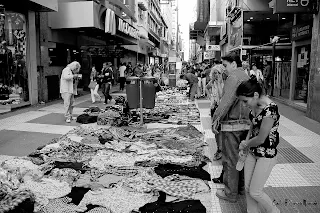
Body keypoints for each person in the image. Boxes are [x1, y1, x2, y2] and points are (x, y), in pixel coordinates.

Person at [237, 76, 280, 213]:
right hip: (252, 152)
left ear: (255, 95)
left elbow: (261, 138)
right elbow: (253, 126)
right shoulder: (255, 105)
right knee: (248, 189)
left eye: (245, 101)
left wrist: (245, 144)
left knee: (256, 192)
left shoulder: (271, 110)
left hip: (266, 155)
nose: (244, 105)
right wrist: (246, 143)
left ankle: (274, 211)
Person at [212, 53, 250, 202]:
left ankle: (230, 193)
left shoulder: (233, 77)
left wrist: (216, 119)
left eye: (226, 65)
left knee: (230, 160)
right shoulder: (245, 76)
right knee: (241, 158)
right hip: (245, 123)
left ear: (234, 64)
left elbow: (226, 100)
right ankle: (240, 188)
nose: (224, 69)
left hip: (232, 124)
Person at [206, 64, 225, 161]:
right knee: (215, 129)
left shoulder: (224, 83)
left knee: (221, 130)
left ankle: (222, 150)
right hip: (214, 108)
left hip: (222, 109)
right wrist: (211, 98)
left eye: (218, 73)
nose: (216, 75)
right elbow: (206, 88)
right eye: (215, 73)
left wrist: (218, 84)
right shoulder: (212, 82)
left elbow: (222, 95)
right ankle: (219, 149)